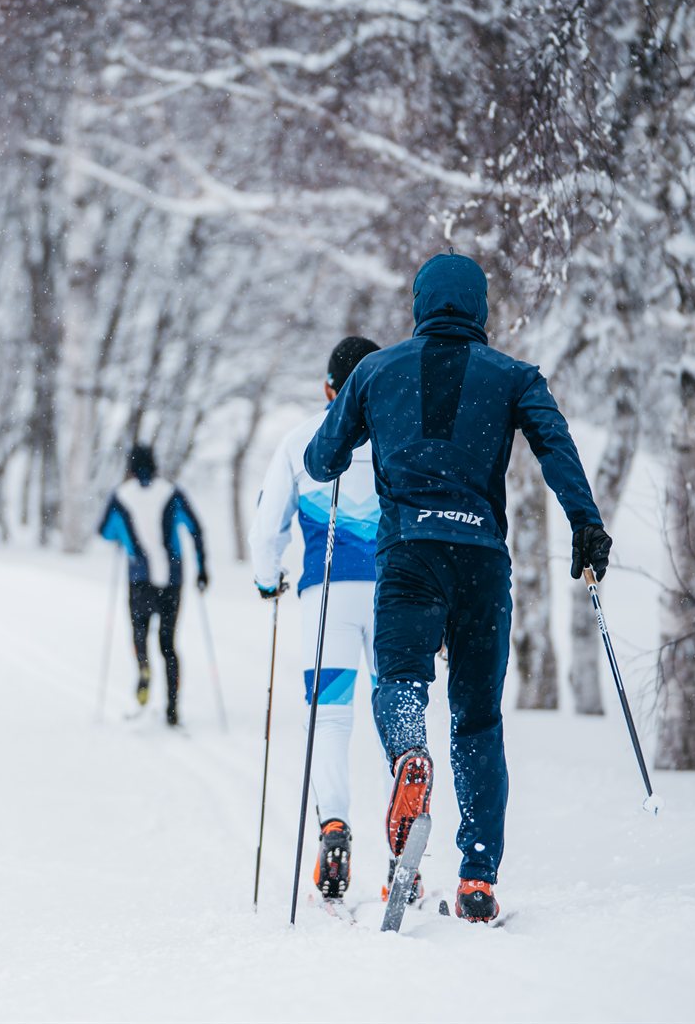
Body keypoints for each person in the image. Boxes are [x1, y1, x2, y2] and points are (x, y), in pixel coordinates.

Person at [303, 253, 612, 923]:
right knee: (477, 718)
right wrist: (586, 524)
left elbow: (320, 458)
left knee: (401, 682)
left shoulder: (375, 370)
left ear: (419, 302)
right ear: (481, 307)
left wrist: (364, 424)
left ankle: (410, 754)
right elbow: (556, 446)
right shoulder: (513, 376)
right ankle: (477, 878)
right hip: (480, 560)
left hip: (410, 553)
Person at [247, 336, 386, 901]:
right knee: (393, 718)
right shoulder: (398, 436)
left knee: (329, 718)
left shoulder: (300, 438)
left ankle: (332, 824)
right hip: (393, 597)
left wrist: (266, 578)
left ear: (328, 388)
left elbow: (266, 530)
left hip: (325, 596)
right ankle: (404, 843)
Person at [97, 444, 209, 727]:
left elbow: (105, 531)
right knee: (169, 644)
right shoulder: (171, 492)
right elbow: (195, 528)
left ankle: (143, 668)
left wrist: (126, 537)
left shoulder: (122, 496)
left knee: (140, 633)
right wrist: (202, 568)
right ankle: (173, 709)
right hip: (172, 579)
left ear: (131, 467)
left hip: (140, 579)